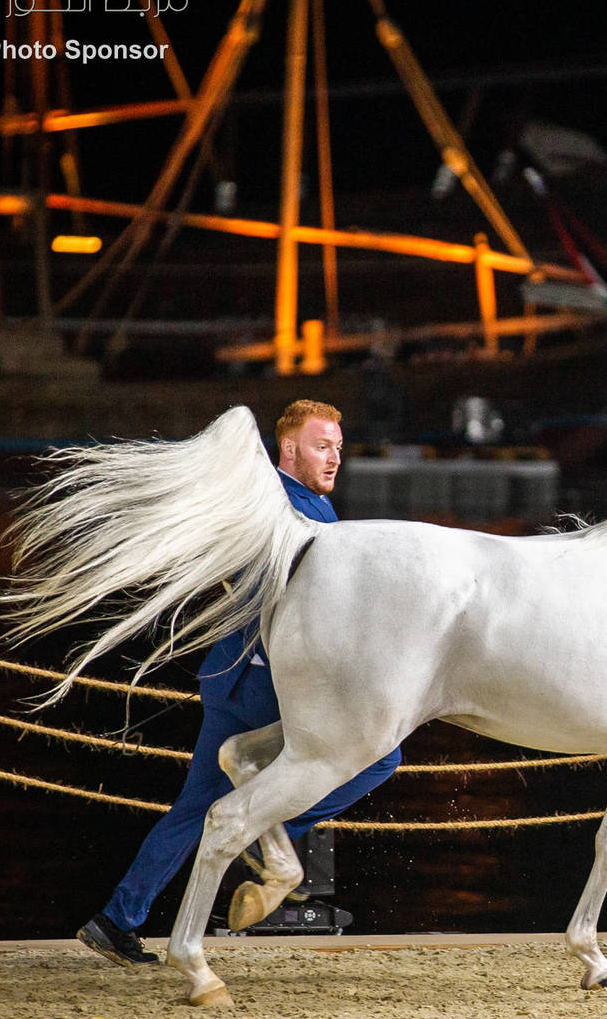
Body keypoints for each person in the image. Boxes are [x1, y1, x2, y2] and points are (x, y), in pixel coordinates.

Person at [78, 399, 402, 966]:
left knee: (195, 807)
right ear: (290, 447)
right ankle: (262, 832)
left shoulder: (266, 502)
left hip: (229, 678)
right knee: (381, 756)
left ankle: (117, 918)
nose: (334, 459)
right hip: (267, 686)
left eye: (339, 448)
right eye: (322, 446)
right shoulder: (302, 515)